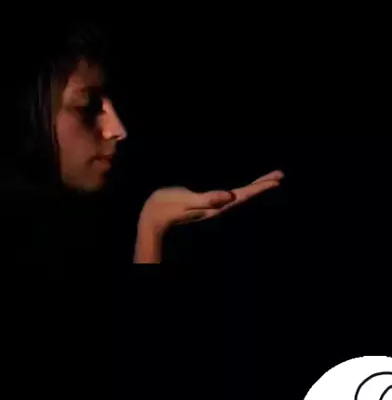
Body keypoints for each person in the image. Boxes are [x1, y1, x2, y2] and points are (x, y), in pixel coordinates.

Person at [0, 20, 283, 264]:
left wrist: (153, 225)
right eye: (87, 107)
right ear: (27, 111)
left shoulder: (83, 224)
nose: (118, 129)